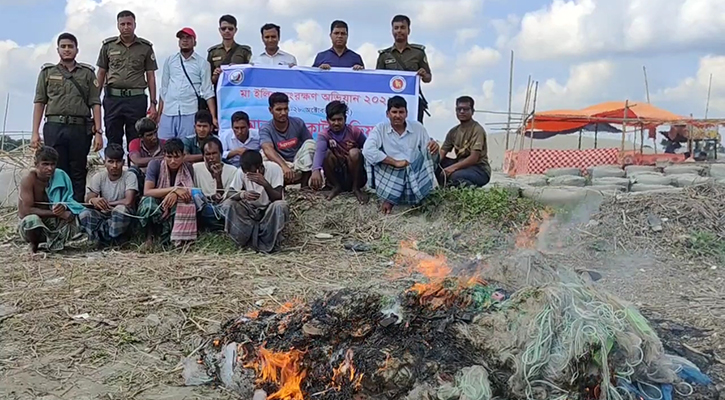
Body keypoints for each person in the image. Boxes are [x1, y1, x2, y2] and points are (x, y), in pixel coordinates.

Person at [31, 32, 103, 203]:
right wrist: (35, 132)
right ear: (57, 50)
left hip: (79, 127)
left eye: (70, 46)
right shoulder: (47, 73)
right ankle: (57, 207)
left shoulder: (87, 73)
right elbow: (40, 102)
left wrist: (99, 131)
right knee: (55, 169)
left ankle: (76, 209)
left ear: (77, 50)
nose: (67, 49)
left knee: (78, 169)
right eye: (63, 46)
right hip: (55, 126)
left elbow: (95, 103)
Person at [362, 96, 439, 214]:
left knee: (430, 151)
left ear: (406, 113)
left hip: (413, 174)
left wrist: (433, 146)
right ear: (387, 114)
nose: (397, 116)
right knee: (370, 156)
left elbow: (427, 151)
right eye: (394, 112)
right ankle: (389, 198)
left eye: (401, 112)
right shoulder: (380, 129)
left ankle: (417, 197)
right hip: (390, 174)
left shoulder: (417, 127)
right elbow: (368, 150)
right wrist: (394, 162)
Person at [97, 10, 158, 149]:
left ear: (135, 25)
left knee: (135, 139)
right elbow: (101, 73)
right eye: (122, 24)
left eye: (129, 24)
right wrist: (95, 100)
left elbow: (151, 76)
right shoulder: (108, 46)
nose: (126, 27)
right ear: (118, 25)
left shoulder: (145, 47)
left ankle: (135, 170)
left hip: (136, 99)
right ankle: (114, 168)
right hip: (113, 98)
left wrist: (153, 103)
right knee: (113, 137)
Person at [18, 147, 84, 252]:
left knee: (75, 217)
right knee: (32, 220)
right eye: (45, 164)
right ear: (36, 164)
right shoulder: (28, 180)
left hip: (53, 223)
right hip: (33, 226)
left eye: (52, 164)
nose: (50, 168)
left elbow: (69, 200)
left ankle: (55, 243)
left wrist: (64, 208)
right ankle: (34, 244)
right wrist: (56, 213)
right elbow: (26, 211)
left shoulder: (60, 176)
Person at [224, 150, 288, 253]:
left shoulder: (274, 168)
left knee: (280, 205)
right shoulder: (242, 172)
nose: (248, 175)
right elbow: (229, 193)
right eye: (246, 172)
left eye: (251, 172)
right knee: (229, 204)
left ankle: (270, 242)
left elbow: (278, 197)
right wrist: (242, 194)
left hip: (268, 209)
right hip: (250, 210)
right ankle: (242, 240)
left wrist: (265, 184)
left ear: (260, 167)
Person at [158, 27, 216, 140]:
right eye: (182, 38)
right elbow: (164, 89)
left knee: (186, 146)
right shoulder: (170, 61)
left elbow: (207, 91)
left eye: (188, 38)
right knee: (164, 145)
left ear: (195, 42)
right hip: (169, 110)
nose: (185, 40)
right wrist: (159, 114)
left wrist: (213, 117)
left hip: (189, 110)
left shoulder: (202, 63)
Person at [137, 138, 196, 247]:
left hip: (174, 201)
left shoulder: (188, 167)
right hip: (157, 201)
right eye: (169, 157)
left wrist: (174, 193)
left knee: (185, 200)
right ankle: (149, 237)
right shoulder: (154, 164)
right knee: (148, 203)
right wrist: (173, 189)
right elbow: (147, 191)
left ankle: (177, 239)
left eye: (177, 157)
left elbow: (187, 191)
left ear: (183, 156)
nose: (173, 161)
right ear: (164, 155)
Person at [375, 15, 431, 124]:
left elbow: (428, 78)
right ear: (392, 30)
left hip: (413, 102)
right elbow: (378, 80)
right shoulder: (384, 55)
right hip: (391, 104)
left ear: (408, 30)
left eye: (402, 27)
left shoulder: (418, 53)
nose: (399, 31)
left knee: (415, 132)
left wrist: (424, 74)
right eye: (396, 28)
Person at [79, 143, 138, 246]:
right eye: (110, 162)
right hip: (103, 214)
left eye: (118, 162)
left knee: (120, 210)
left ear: (123, 162)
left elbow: (128, 202)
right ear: (104, 162)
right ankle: (97, 239)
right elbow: (88, 199)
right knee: (84, 214)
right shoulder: (99, 177)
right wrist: (93, 200)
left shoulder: (129, 176)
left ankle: (115, 240)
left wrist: (106, 203)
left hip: (122, 215)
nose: (114, 166)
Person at [310, 101, 368, 202]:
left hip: (355, 174)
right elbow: (319, 151)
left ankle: (356, 188)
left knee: (354, 153)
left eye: (339, 119)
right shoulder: (324, 135)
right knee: (326, 153)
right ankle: (336, 186)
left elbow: (368, 148)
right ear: (327, 120)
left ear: (345, 119)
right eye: (333, 120)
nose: (336, 123)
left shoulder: (354, 131)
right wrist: (315, 170)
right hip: (337, 174)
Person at [259, 92, 315, 187]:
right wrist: (284, 166)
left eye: (286, 109)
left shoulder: (298, 123)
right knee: (263, 154)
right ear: (270, 110)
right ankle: (279, 186)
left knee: (311, 144)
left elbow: (309, 144)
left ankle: (304, 186)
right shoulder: (266, 128)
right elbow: (267, 149)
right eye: (279, 110)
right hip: (280, 165)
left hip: (298, 164)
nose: (283, 113)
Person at [438, 96, 491, 188]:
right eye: (459, 109)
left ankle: (470, 190)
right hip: (461, 165)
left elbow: (474, 158)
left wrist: (452, 168)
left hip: (479, 169)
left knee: (455, 176)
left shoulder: (477, 130)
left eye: (465, 109)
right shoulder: (453, 131)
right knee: (437, 166)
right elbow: (442, 153)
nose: (462, 112)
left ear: (472, 111)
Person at [192, 136, 237, 230]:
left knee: (229, 205)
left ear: (221, 154)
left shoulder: (232, 170)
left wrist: (218, 177)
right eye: (208, 154)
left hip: (223, 208)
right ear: (203, 156)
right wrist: (210, 197)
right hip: (203, 209)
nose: (211, 158)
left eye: (214, 153)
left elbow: (226, 198)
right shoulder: (195, 169)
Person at [208, 14, 253, 85]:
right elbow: (208, 80)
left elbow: (250, 75)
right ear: (219, 30)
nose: (227, 31)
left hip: (238, 91)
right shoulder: (213, 52)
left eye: (230, 28)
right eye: (223, 28)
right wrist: (215, 75)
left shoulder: (244, 51)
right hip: (219, 91)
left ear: (235, 30)